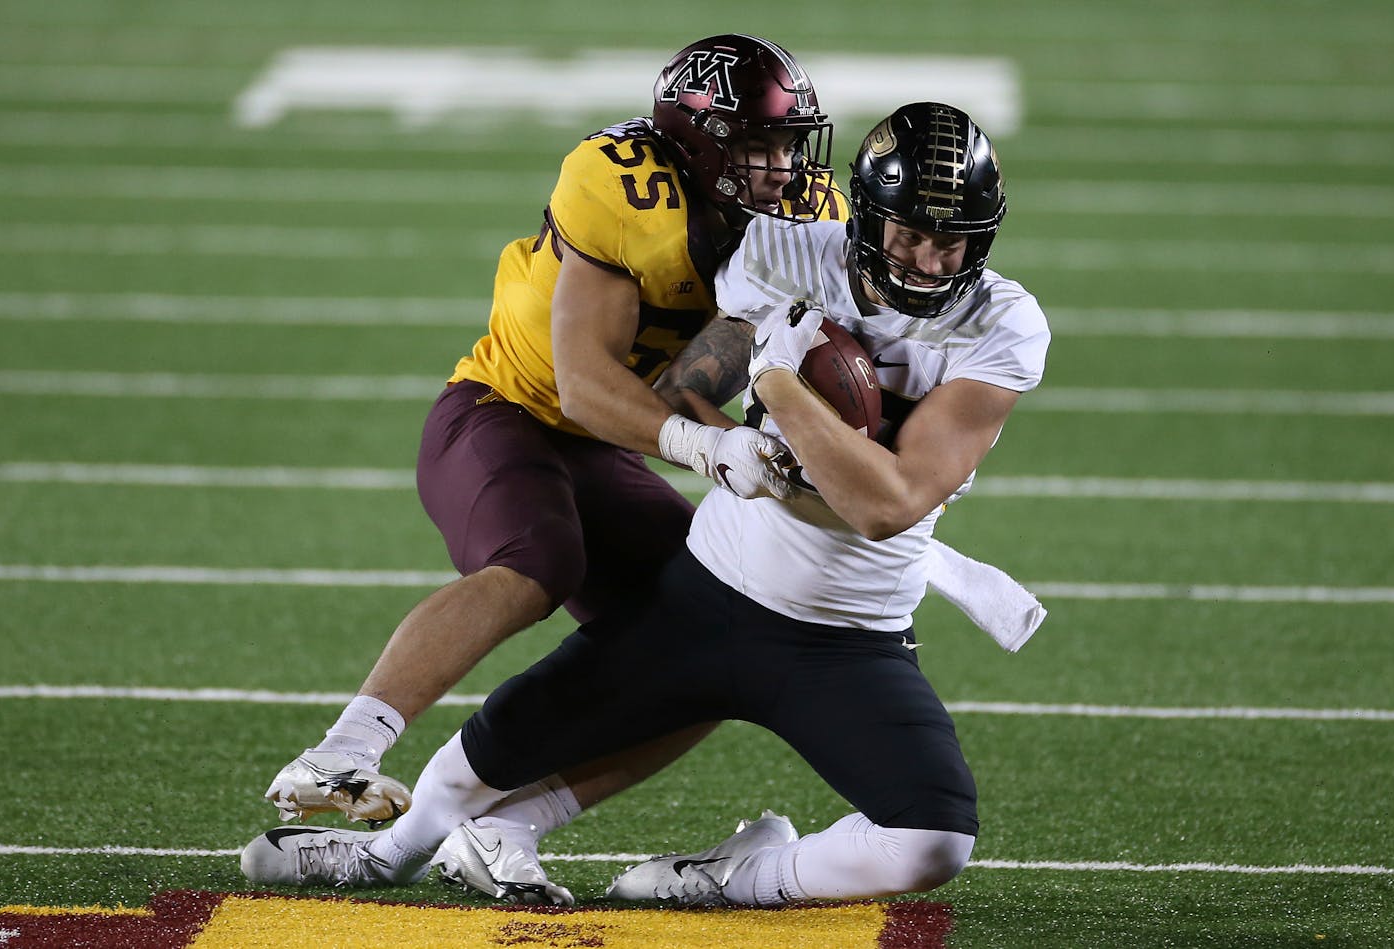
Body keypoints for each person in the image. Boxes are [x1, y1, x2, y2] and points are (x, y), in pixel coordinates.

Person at [242, 101, 1049, 907]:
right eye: (911, 232)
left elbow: (889, 503)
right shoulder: (788, 250)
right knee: (496, 741)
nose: (930, 261)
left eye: (955, 240)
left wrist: (776, 383)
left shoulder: (1004, 323)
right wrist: (731, 443)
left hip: (851, 633)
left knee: (934, 837)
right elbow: (684, 389)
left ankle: (732, 876)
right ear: (868, 216)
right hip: (711, 591)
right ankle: (385, 853)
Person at [260, 34, 845, 904]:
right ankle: (344, 749)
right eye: (756, 146)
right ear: (694, 142)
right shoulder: (622, 186)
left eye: (789, 144)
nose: (780, 166)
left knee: (723, 633)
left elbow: (696, 380)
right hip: (503, 411)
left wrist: (764, 439)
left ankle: (506, 825)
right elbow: (583, 387)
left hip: (608, 443)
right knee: (541, 558)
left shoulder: (804, 214)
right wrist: (711, 449)